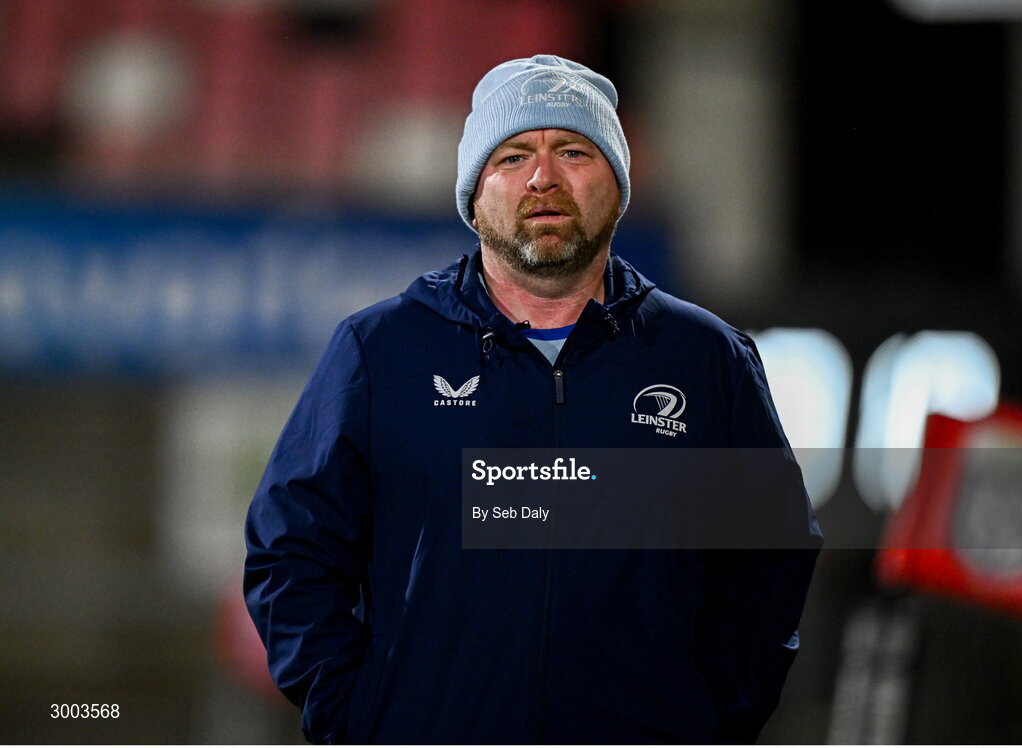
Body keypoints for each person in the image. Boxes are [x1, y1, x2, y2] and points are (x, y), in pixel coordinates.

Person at [244, 54, 821, 744]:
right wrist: (354, 715)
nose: (544, 178)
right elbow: (291, 549)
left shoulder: (704, 358)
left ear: (617, 181)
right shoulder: (380, 351)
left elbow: (769, 555)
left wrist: (708, 720)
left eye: (573, 150)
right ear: (474, 192)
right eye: (513, 156)